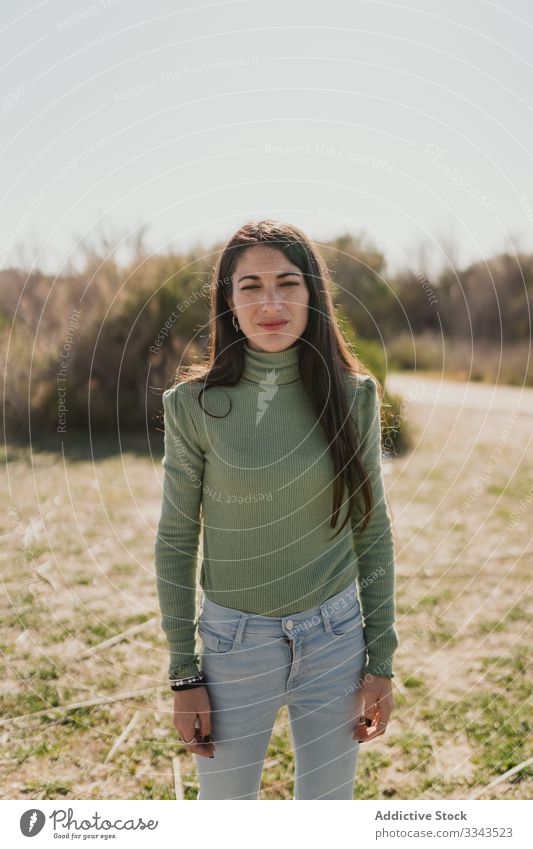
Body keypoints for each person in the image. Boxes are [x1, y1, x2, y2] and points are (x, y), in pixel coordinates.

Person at [154, 220, 399, 800]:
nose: (270, 303)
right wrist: (184, 674)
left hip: (337, 637)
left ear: (313, 296)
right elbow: (175, 541)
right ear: (227, 302)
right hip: (234, 642)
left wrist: (381, 659)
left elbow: (372, 531)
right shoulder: (194, 405)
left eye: (288, 283)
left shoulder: (352, 396)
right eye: (250, 286)